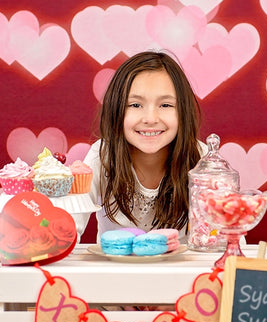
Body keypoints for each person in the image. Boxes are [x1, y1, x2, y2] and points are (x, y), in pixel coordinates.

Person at [72, 50, 206, 243]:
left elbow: (225, 235)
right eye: (135, 105)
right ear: (116, 110)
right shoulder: (102, 156)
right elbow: (69, 229)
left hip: (184, 272)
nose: (150, 119)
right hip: (116, 272)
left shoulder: (201, 160)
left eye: (166, 105)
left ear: (183, 111)